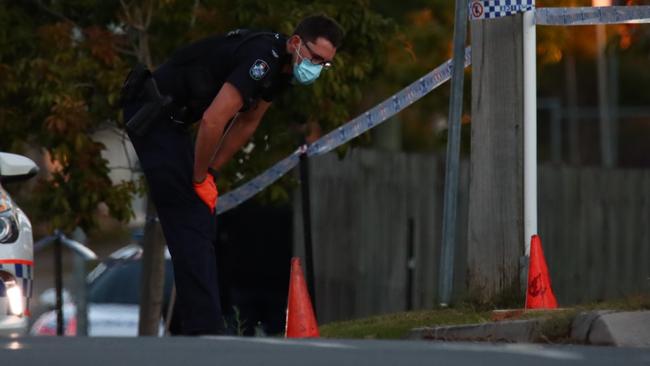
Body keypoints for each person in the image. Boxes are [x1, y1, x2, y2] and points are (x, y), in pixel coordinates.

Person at [121, 15, 344, 335]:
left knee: (199, 218)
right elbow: (214, 120)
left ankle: (195, 324)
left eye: (325, 64)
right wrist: (198, 179)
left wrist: (210, 172)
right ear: (296, 43)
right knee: (190, 216)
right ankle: (204, 328)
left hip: (173, 122)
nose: (317, 68)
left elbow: (247, 123)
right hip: (151, 111)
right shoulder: (263, 59)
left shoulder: (282, 72)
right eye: (315, 58)